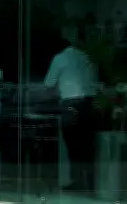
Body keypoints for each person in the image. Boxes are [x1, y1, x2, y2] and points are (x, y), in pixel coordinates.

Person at [44, 32, 99, 192]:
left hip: (70, 105)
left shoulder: (60, 58)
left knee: (73, 145)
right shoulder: (87, 57)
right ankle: (91, 182)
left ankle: (77, 181)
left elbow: (49, 85)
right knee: (88, 145)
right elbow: (94, 82)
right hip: (89, 104)